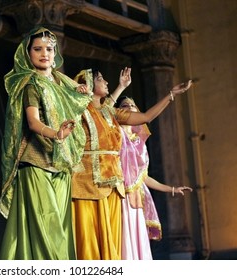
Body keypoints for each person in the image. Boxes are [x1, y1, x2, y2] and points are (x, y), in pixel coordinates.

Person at [71, 68, 192, 260]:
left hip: (114, 187)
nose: (106, 82)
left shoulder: (110, 113)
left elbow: (145, 117)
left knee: (113, 247)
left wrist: (171, 94)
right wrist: (76, 93)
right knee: (90, 241)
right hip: (88, 184)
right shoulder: (80, 111)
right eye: (101, 79)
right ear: (88, 84)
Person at [0, 27, 92, 260]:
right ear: (27, 54)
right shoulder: (31, 84)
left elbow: (77, 98)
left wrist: (78, 92)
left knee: (60, 226)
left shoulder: (61, 83)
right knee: (47, 230)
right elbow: (32, 122)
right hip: (36, 163)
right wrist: (56, 134)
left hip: (61, 164)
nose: (44, 53)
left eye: (49, 49)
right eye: (37, 49)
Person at [115, 96, 193, 260]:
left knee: (138, 242)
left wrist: (171, 189)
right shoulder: (115, 136)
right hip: (118, 196)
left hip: (136, 199)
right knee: (122, 241)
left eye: (132, 104)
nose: (129, 107)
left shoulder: (139, 145)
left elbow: (144, 178)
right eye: (124, 105)